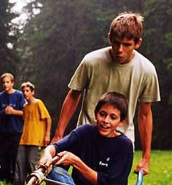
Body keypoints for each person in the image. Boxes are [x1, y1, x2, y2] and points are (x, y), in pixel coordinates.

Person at [52, 12, 160, 175]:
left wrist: (146, 157)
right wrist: (59, 134)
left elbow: (144, 114)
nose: (120, 50)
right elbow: (74, 95)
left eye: (127, 44)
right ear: (109, 37)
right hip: (87, 135)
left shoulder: (147, 70)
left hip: (121, 140)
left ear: (137, 43)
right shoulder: (91, 61)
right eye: (116, 43)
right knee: (76, 184)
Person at [39, 92, 133, 185]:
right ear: (96, 113)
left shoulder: (124, 145)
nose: (106, 121)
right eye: (102, 114)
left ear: (121, 121)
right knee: (56, 172)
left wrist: (76, 162)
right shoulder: (85, 132)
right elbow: (56, 148)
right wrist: (47, 154)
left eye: (113, 117)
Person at [15, 81, 52, 185]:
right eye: (24, 91)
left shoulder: (38, 103)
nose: (25, 93)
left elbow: (48, 119)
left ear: (32, 92)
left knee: (33, 163)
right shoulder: (25, 106)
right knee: (20, 161)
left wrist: (47, 134)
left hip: (36, 139)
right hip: (24, 138)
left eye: (27, 91)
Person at [0, 73, 26, 183]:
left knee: (15, 156)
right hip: (4, 132)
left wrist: (13, 112)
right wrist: (4, 112)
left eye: (7, 82)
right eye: (3, 82)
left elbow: (25, 113)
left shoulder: (20, 95)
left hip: (16, 132)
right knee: (3, 155)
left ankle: (14, 179)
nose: (5, 84)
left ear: (12, 83)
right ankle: (3, 179)